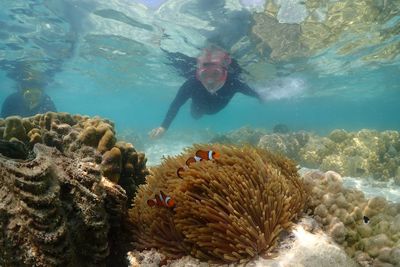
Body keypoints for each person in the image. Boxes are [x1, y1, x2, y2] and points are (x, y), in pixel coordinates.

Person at [149, 45, 263, 139]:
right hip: (198, 109)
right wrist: (164, 127)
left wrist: (260, 97)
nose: (210, 81)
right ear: (199, 74)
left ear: (224, 72)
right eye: (204, 75)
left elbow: (251, 92)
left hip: (214, 110)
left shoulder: (234, 82)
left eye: (215, 74)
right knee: (195, 116)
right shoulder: (192, 83)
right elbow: (176, 105)